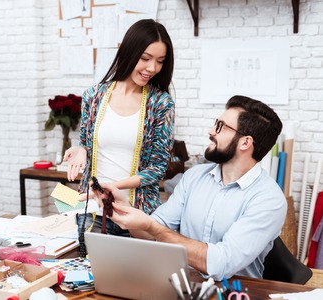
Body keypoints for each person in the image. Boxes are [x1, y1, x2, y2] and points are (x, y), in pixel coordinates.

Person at [98, 95, 287, 280]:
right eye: (215, 123)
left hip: (235, 293)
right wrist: (125, 210)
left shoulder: (268, 199)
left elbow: (221, 263)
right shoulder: (195, 176)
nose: (211, 131)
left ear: (245, 142)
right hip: (181, 285)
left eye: (221, 127)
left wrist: (152, 227)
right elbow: (151, 234)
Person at [63, 19, 176, 235]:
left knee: (137, 269)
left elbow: (158, 168)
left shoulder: (161, 103)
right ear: (128, 53)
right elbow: (86, 143)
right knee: (90, 266)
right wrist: (81, 150)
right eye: (145, 58)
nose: (152, 68)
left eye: (160, 61)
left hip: (136, 213)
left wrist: (113, 187)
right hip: (93, 210)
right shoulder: (93, 96)